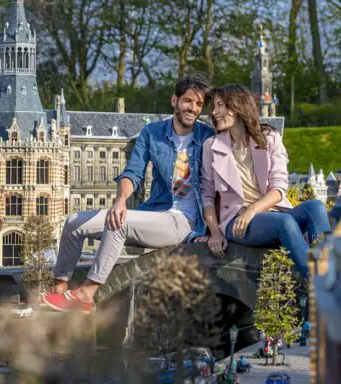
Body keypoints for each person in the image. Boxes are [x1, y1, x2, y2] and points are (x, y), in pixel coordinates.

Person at [42, 73, 215, 313]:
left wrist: (215, 230)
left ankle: (87, 292)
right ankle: (59, 290)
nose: (194, 108)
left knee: (120, 223)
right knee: (73, 223)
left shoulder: (208, 137)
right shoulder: (152, 133)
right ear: (174, 100)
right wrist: (120, 200)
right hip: (157, 212)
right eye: (188, 101)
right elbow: (132, 173)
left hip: (186, 222)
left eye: (199, 104)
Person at [196, 84, 330, 276]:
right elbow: (207, 195)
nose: (215, 112)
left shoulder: (270, 138)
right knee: (284, 222)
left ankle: (328, 270)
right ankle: (320, 283)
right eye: (214, 107)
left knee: (316, 207)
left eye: (220, 105)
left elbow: (279, 189)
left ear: (238, 106)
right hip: (236, 221)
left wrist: (252, 210)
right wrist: (215, 233)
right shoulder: (212, 146)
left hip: (266, 212)